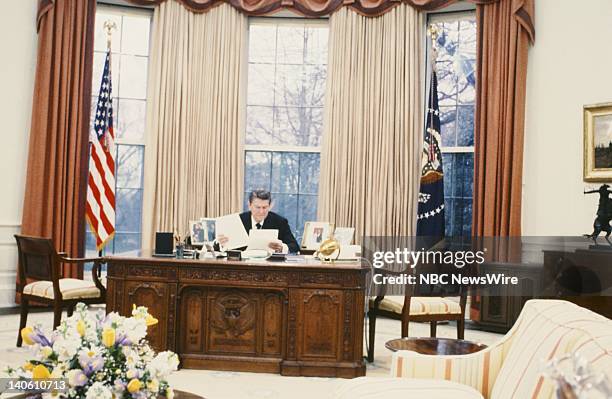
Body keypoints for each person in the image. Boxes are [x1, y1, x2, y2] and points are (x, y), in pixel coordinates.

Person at [218, 190, 300, 253]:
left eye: (265, 207)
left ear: (270, 206)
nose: (261, 212)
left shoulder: (280, 222)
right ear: (249, 205)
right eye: (257, 207)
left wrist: (282, 247)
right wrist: (222, 243)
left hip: (270, 266)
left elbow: (295, 246)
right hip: (242, 265)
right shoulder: (238, 220)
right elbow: (220, 247)